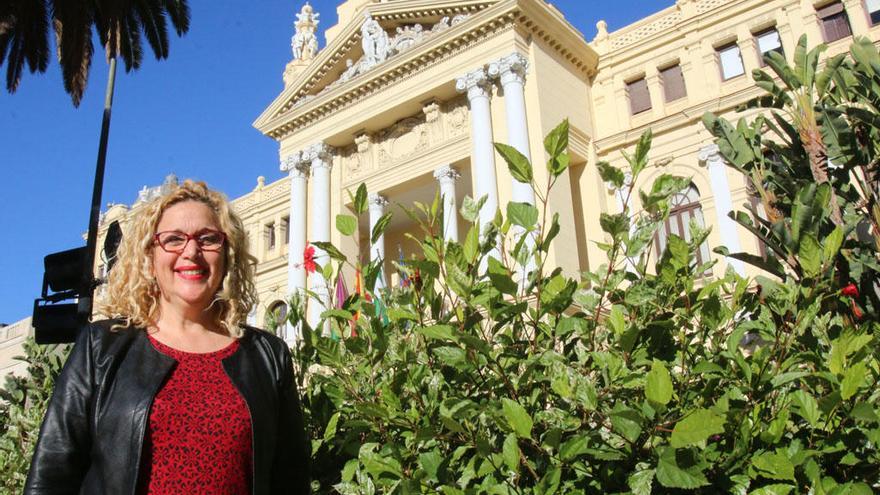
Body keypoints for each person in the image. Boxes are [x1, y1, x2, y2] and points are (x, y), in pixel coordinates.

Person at [24, 180, 311, 494]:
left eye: (208, 239)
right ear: (149, 257)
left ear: (227, 254)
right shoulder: (101, 348)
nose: (191, 251)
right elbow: (52, 473)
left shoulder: (266, 355)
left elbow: (290, 478)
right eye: (173, 239)